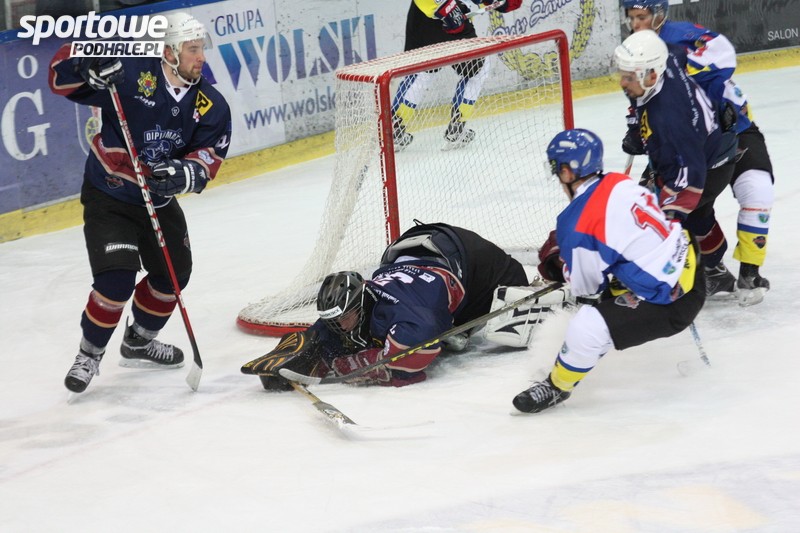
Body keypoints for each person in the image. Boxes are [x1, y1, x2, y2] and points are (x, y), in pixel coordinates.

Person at [49, 12, 232, 393]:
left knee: (174, 276)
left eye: (201, 49)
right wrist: (86, 67)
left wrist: (186, 173)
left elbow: (208, 156)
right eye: (192, 49)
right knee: (116, 281)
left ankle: (139, 341)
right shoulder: (129, 74)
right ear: (168, 52)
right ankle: (89, 354)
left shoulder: (210, 104)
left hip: (157, 201)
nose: (201, 57)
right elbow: (58, 78)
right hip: (110, 193)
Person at [242, 221, 571, 389]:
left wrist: (341, 365)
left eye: (345, 318)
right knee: (444, 332)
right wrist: (287, 363)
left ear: (361, 303)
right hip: (417, 247)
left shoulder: (407, 313)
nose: (340, 326)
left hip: (481, 265)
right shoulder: (354, 304)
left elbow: (405, 369)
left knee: (504, 324)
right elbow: (317, 337)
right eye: (336, 320)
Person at [512, 129, 705, 413]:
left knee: (588, 324)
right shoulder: (619, 181)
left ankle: (557, 386)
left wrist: (565, 265)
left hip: (673, 301)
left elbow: (587, 288)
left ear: (566, 172)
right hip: (690, 259)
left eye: (556, 168)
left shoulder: (576, 224)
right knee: (611, 292)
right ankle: (578, 357)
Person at [622, 0, 774, 298]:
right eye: (632, 18)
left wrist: (683, 76)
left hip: (734, 127)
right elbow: (636, 95)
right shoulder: (635, 49)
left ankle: (750, 272)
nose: (636, 24)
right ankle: (713, 269)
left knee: (757, 189)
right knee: (686, 210)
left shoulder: (681, 36)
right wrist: (635, 127)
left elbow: (724, 55)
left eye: (642, 17)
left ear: (659, 15)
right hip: (686, 138)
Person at [614, 30, 738, 298]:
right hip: (705, 148)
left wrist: (666, 225)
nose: (623, 82)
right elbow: (677, 51)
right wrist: (637, 127)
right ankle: (715, 270)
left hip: (707, 165)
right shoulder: (665, 57)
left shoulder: (670, 122)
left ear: (652, 75)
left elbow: (688, 181)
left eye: (629, 77)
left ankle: (664, 280)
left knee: (656, 220)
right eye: (623, 74)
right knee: (699, 217)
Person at [391, 0, 522, 149]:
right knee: (477, 69)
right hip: (441, 11)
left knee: (422, 72)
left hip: (428, 15)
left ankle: (395, 129)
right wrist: (445, 7)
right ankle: (457, 128)